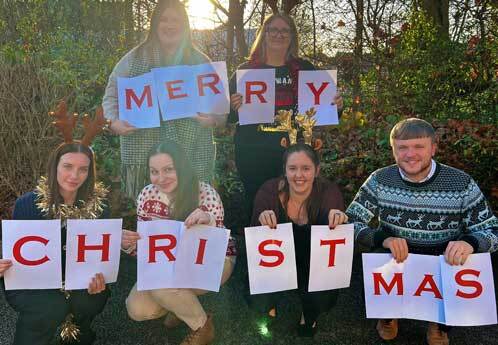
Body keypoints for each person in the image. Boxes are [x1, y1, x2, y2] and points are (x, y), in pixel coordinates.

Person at [346, 118, 498, 345]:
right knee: (377, 257)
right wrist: (383, 238)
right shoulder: (379, 179)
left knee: (463, 261)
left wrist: (470, 243)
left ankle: (439, 324)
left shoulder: (461, 183)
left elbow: (492, 230)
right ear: (393, 150)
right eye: (403, 147)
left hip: (441, 255)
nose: (410, 154)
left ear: (433, 148)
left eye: (419, 146)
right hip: (396, 253)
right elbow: (351, 222)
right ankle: (388, 316)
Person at [102, 0, 224, 201]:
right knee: (152, 215)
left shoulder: (201, 61)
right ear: (155, 24)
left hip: (192, 152)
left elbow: (219, 107)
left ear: (185, 26)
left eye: (176, 20)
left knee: (190, 213)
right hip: (145, 151)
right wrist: (113, 122)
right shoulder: (133, 59)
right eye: (164, 20)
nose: (170, 25)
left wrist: (212, 119)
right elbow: (111, 95)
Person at [228, 13, 344, 220]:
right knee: (257, 202)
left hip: (294, 150)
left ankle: (296, 248)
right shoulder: (245, 71)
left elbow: (322, 111)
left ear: (292, 36)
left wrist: (336, 106)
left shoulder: (304, 69)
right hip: (252, 151)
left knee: (296, 202)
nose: (278, 35)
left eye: (284, 31)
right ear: (264, 35)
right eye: (273, 30)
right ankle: (255, 248)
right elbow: (226, 115)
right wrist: (233, 106)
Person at [121, 140, 236, 345]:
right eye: (154, 171)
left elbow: (215, 250)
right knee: (137, 308)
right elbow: (147, 250)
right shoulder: (146, 194)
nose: (161, 178)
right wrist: (125, 242)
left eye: (168, 169)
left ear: (181, 167)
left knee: (162, 285)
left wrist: (208, 221)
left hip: (210, 262)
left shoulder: (206, 194)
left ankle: (202, 326)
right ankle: (181, 306)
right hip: (166, 263)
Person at [2, 142, 110, 345]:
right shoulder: (27, 204)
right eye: (67, 166)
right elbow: (18, 251)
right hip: (32, 281)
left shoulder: (99, 207)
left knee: (88, 300)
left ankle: (80, 333)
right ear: (55, 167)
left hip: (80, 281)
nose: (74, 175)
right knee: (49, 306)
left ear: (90, 173)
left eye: (83, 169)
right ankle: (32, 335)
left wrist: (101, 275)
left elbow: (101, 256)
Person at [251, 143, 348, 337]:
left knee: (323, 286)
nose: (299, 175)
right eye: (292, 168)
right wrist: (262, 219)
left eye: (306, 168)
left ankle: (309, 313)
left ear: (317, 170)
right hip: (279, 256)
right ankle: (269, 306)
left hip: (313, 258)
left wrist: (339, 219)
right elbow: (254, 238)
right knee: (257, 289)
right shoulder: (269, 191)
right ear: (285, 171)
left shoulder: (329, 192)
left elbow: (336, 247)